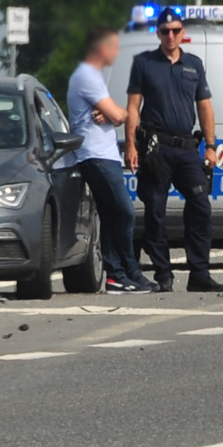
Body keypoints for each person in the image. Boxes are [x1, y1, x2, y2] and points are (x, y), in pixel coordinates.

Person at [123, 7, 223, 293]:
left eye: (176, 30)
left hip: (186, 149)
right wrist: (130, 145)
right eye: (165, 31)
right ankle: (163, 274)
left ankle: (200, 273)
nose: (171, 36)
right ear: (158, 33)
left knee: (200, 204)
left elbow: (204, 106)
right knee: (155, 210)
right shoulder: (144, 64)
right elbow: (133, 107)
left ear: (183, 33)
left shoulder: (194, 65)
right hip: (156, 148)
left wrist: (210, 146)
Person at [67, 26, 156, 294]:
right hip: (96, 155)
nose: (117, 52)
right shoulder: (87, 76)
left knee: (111, 215)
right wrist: (118, 112)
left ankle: (121, 275)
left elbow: (115, 113)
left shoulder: (92, 77)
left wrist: (113, 111)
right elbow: (122, 115)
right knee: (124, 213)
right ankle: (124, 272)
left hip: (103, 155)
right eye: (114, 47)